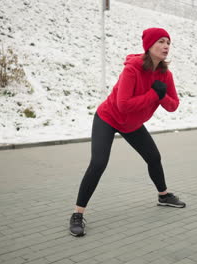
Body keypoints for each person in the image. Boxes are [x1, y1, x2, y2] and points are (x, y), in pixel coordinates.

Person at [69, 28, 186, 237]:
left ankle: (164, 195)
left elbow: (173, 105)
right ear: (149, 46)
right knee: (98, 163)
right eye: (161, 41)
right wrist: (153, 95)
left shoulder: (165, 75)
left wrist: (161, 96)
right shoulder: (132, 69)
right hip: (108, 117)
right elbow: (123, 105)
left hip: (131, 124)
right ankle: (77, 214)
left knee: (153, 157)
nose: (166, 46)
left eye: (168, 42)